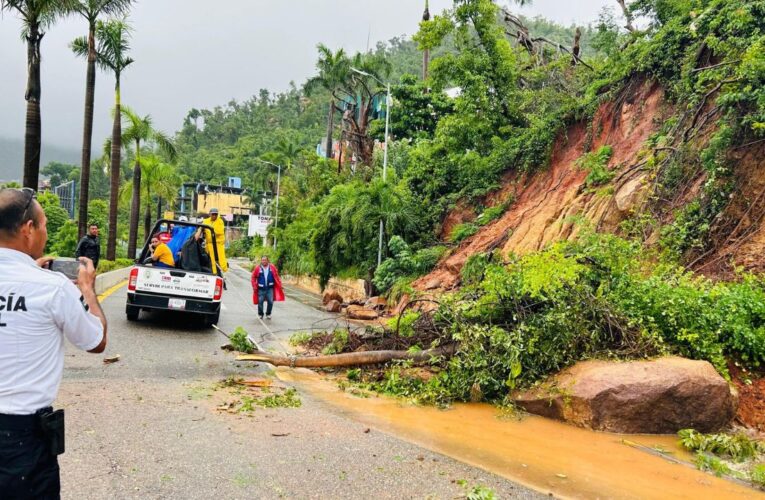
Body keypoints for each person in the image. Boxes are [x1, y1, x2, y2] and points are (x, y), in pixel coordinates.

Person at [0, 187, 107, 498]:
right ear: (29, 229)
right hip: (22, 442)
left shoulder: (41, 281)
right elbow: (95, 341)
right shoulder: (53, 288)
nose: (46, 232)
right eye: (44, 224)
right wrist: (87, 289)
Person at [251, 255, 284, 319]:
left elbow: (276, 276)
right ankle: (260, 314)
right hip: (261, 288)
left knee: (270, 301)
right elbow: (253, 277)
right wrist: (254, 286)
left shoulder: (272, 267)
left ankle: (268, 313)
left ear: (268, 261)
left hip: (270, 288)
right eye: (262, 260)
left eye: (265, 260)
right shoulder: (258, 268)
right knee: (260, 301)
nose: (264, 261)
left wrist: (280, 285)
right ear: (261, 261)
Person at [201, 208, 228, 274]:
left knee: (221, 258)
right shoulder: (206, 221)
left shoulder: (220, 221)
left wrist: (209, 229)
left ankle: (224, 270)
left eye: (216, 214)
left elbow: (219, 231)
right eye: (213, 214)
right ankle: (214, 272)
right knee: (211, 259)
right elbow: (203, 229)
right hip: (209, 243)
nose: (214, 216)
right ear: (210, 214)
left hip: (218, 243)